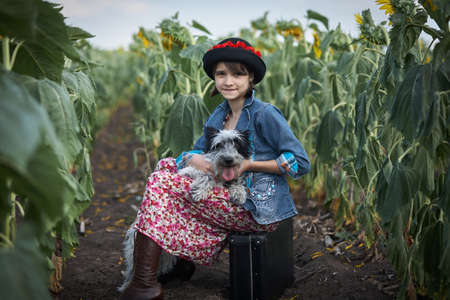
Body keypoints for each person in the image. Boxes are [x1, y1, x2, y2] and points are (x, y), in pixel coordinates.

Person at [120, 37, 310, 300]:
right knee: (164, 166)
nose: (228, 81)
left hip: (255, 205)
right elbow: (196, 151)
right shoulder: (219, 115)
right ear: (214, 78)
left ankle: (144, 283)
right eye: (221, 74)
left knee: (162, 185)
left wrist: (250, 164)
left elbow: (300, 162)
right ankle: (174, 263)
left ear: (251, 78)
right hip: (223, 193)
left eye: (237, 74)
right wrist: (192, 158)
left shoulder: (265, 114)